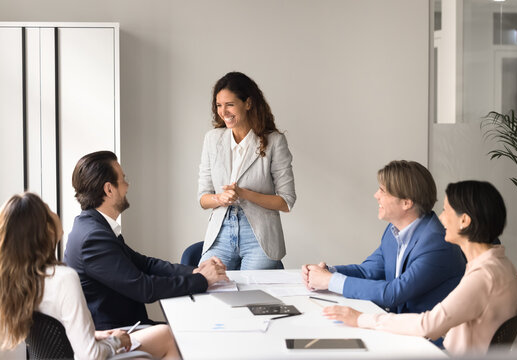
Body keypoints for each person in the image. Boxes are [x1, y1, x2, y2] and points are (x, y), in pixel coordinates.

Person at [323, 180, 517, 355]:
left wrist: (361, 319)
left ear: (464, 221)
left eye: (445, 211)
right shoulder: (502, 265)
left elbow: (428, 324)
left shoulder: (483, 276)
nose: (440, 220)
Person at [0, 192, 180, 359]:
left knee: (160, 335)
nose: (54, 213)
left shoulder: (19, 280)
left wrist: (94, 335)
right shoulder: (63, 279)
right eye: (48, 210)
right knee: (166, 335)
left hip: (76, 351)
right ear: (45, 229)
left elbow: (57, 333)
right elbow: (90, 355)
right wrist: (117, 341)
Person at [64, 151, 229, 330]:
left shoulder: (94, 227)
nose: (127, 186)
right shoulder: (93, 238)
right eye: (123, 180)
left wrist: (195, 271)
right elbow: (144, 289)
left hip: (125, 325)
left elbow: (146, 264)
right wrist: (202, 280)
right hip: (115, 333)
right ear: (109, 189)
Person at [302, 160, 466, 316]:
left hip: (432, 340)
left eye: (383, 191)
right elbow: (367, 271)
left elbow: (393, 293)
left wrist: (330, 281)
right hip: (400, 327)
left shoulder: (437, 243)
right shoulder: (394, 230)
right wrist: (328, 271)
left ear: (406, 203)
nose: (376, 195)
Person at [198, 71, 296, 270]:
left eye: (230, 104)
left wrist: (244, 194)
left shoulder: (274, 142)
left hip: (260, 238)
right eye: (219, 105)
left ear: (248, 103)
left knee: (252, 297)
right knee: (206, 287)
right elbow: (203, 198)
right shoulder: (212, 139)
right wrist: (219, 198)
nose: (223, 111)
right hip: (221, 233)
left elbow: (286, 201)